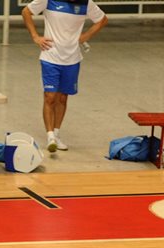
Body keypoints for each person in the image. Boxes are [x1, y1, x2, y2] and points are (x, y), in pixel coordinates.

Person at [21, 0, 107, 152]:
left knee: (62, 98)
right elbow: (26, 12)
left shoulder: (86, 4)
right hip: (50, 58)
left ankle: (57, 133)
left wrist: (85, 36)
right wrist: (35, 37)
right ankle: (50, 137)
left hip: (72, 59)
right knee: (50, 97)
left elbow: (102, 20)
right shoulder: (48, 1)